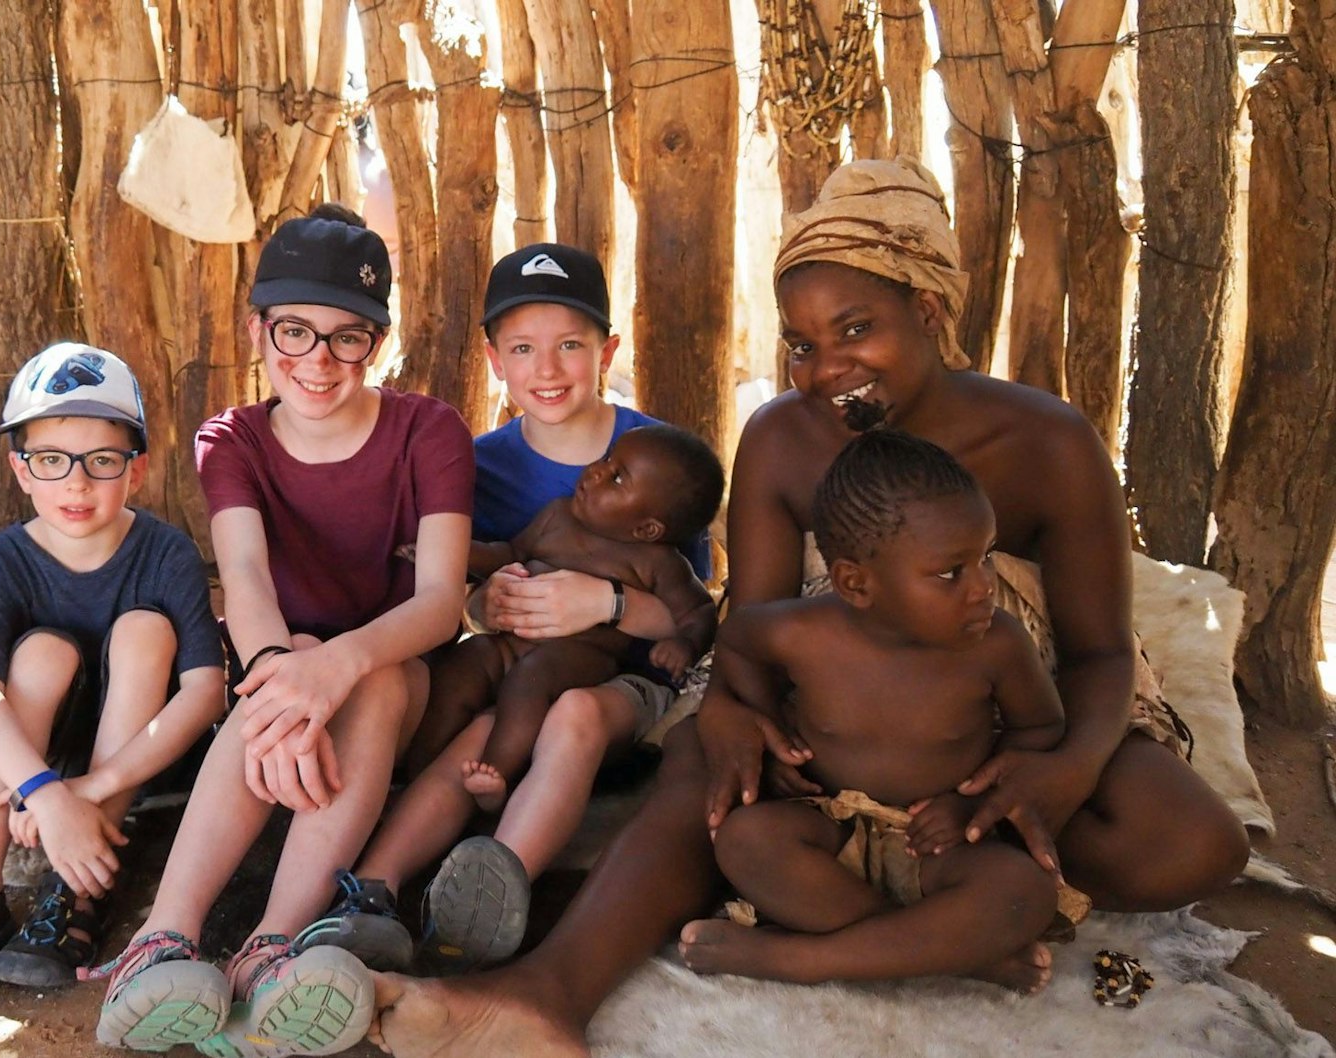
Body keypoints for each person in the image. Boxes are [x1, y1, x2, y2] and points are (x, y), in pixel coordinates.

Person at [368, 158, 1248, 1057]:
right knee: (705, 772)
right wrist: (741, 713)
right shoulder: (784, 437)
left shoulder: (1046, 441)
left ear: (930, 311)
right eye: (800, 343)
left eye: (856, 328)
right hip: (836, 722)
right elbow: (751, 624)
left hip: (1001, 722)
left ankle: (881, 915)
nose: (827, 368)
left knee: (1191, 843)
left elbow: (1099, 656)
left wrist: (1064, 767)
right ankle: (545, 992)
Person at [92, 207, 473, 1056]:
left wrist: (328, 672)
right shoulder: (232, 439)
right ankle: (161, 940)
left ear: (377, 341)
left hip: (392, 663)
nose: (318, 361)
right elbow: (247, 579)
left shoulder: (429, 431)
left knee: (365, 680)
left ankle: (273, 946)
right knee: (278, 675)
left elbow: (442, 600)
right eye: (295, 331)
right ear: (258, 327)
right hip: (280, 655)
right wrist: (279, 679)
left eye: (348, 338)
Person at [308, 245, 722, 976]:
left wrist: (606, 601)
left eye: (571, 346)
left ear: (607, 350)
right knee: (476, 740)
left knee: (573, 718)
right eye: (525, 349)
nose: (550, 369)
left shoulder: (657, 459)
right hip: (519, 669)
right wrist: (484, 601)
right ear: (495, 360)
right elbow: (464, 582)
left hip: (619, 686)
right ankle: (373, 889)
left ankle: (499, 884)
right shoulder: (480, 464)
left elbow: (690, 614)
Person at [0, 343, 227, 1009]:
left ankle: (79, 886)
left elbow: (205, 690)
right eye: (52, 461)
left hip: (139, 756)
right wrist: (48, 795)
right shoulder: (1, 560)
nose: (76, 484)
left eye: (101, 462)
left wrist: (95, 786)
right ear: (20, 470)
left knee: (145, 630)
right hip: (35, 760)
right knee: (39, 655)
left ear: (135, 471)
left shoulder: (166, 552)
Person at [690, 428, 1070, 991]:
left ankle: (797, 960)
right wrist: (757, 718)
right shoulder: (801, 632)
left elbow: (1040, 727)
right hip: (827, 826)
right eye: (950, 573)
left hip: (941, 843)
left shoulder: (998, 645)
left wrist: (974, 804)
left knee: (1023, 895)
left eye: (985, 557)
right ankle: (955, 955)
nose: (983, 587)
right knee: (744, 841)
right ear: (856, 582)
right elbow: (740, 641)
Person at [412, 423, 722, 815]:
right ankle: (414, 772)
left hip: (578, 656)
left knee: (531, 680)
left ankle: (496, 773)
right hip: (508, 640)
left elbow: (699, 610)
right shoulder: (556, 516)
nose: (596, 471)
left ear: (647, 528)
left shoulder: (658, 563)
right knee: (462, 664)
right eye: (608, 458)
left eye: (617, 477)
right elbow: (509, 551)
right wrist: (449, 550)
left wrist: (684, 643)